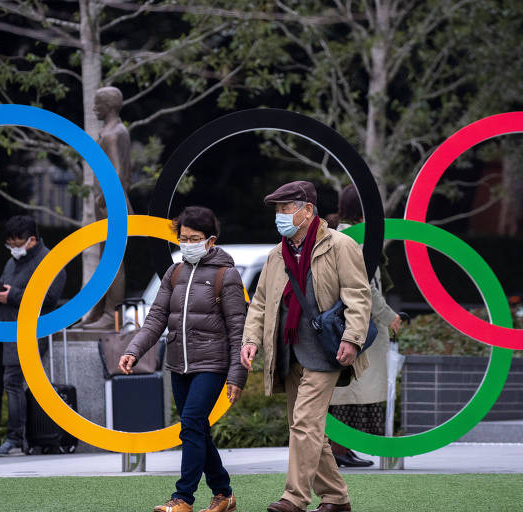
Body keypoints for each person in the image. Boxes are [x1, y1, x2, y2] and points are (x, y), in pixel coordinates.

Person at [240, 181, 372, 512]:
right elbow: (259, 303)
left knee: (304, 423)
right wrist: (251, 339)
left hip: (326, 350)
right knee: (307, 427)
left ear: (307, 210)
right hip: (289, 351)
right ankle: (337, 498)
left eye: (286, 209)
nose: (280, 216)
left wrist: (353, 338)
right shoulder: (275, 255)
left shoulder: (340, 246)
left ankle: (294, 498)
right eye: (277, 210)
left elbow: (358, 295)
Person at [119, 206, 247, 512]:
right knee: (196, 428)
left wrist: (236, 375)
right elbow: (155, 320)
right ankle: (224, 493)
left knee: (190, 424)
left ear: (211, 240)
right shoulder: (174, 273)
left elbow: (238, 330)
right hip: (178, 363)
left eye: (195, 238)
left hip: (212, 364)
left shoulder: (226, 275)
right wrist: (133, 350)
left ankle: (182, 499)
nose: (187, 243)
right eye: (183, 238)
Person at [0, 215, 66, 457]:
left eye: (17, 243)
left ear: (31, 239)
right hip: (1, 331)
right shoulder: (12, 262)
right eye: (10, 243)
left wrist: (12, 295)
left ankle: (14, 440)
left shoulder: (50, 261)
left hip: (26, 334)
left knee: (13, 384)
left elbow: (50, 297)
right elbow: (9, 290)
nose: (13, 248)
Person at [328, 184, 402, 468]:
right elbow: (366, 287)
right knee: (352, 389)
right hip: (360, 325)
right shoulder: (355, 237)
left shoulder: (337, 232)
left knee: (345, 389)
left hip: (344, 322)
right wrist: (388, 316)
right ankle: (340, 448)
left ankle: (341, 447)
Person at [81, 86, 134, 329]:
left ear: (109, 106)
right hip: (110, 202)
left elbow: (119, 172)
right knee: (106, 260)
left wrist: (104, 198)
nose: (94, 108)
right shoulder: (116, 130)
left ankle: (111, 314)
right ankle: (99, 310)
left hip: (111, 204)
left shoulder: (113, 133)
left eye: (98, 104)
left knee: (113, 260)